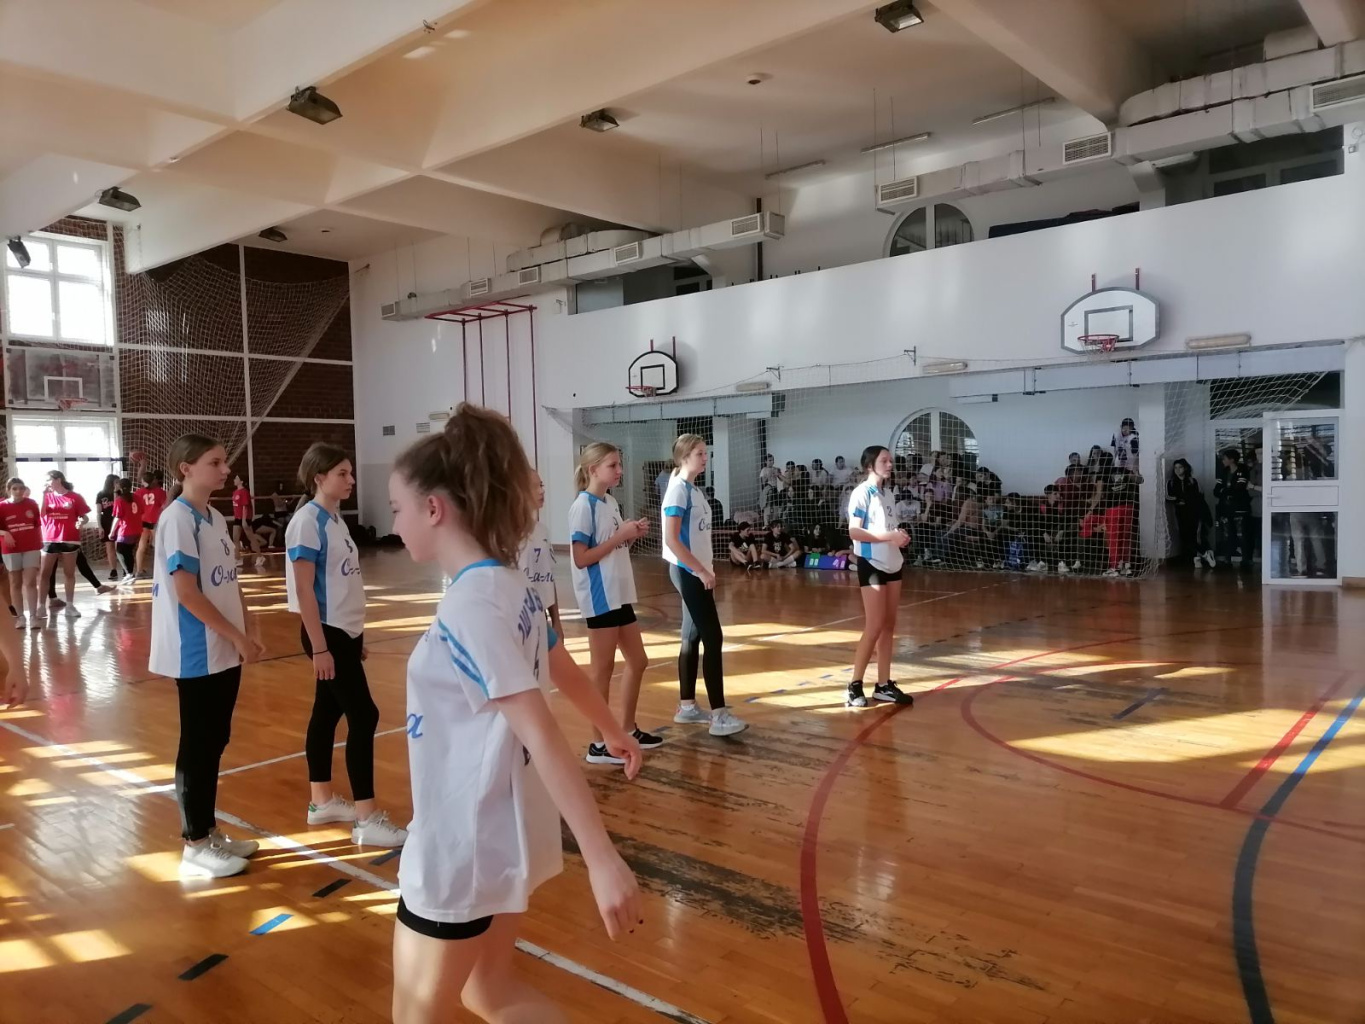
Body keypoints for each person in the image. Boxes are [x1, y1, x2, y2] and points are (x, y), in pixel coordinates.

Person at [387, 404, 642, 1024]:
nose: (393, 523)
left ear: (433, 509)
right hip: (498, 833)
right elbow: (562, 665)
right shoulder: (506, 585)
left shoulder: (471, 606)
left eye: (397, 508)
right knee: (489, 992)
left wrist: (602, 857)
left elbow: (542, 729)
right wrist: (613, 730)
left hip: (460, 844)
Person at [150, 434, 265, 878]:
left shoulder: (214, 516)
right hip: (195, 649)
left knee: (215, 740)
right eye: (215, 462)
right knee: (198, 744)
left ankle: (208, 830)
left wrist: (249, 627)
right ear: (186, 468)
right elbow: (186, 592)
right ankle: (195, 842)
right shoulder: (177, 519)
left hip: (224, 646)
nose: (226, 470)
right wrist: (235, 635)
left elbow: (228, 581)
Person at [286, 443, 406, 848]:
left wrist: (357, 638)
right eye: (342, 473)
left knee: (326, 712)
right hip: (326, 633)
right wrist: (322, 648)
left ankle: (321, 802)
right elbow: (304, 589)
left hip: (345, 633)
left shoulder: (335, 520)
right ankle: (367, 818)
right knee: (364, 714)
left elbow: (343, 583)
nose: (351, 480)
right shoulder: (307, 522)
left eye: (350, 472)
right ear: (318, 477)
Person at [569, 443, 660, 765]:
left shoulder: (609, 501)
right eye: (613, 465)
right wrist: (620, 536)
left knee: (638, 660)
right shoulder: (583, 506)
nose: (619, 470)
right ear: (593, 469)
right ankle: (598, 743)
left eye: (619, 464)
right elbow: (581, 558)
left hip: (619, 593)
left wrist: (630, 535)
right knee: (602, 670)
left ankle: (628, 728)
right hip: (600, 596)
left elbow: (613, 548)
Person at [661, 434, 746, 737]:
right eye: (699, 453)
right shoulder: (678, 491)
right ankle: (719, 716)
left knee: (692, 636)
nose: (705, 457)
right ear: (684, 457)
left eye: (705, 452)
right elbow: (672, 539)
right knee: (713, 636)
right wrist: (699, 570)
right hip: (688, 571)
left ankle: (687, 707)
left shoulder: (693, 489)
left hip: (697, 570)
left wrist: (706, 567)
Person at [846, 446, 914, 708]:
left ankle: (883, 685)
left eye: (890, 460)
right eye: (884, 461)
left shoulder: (888, 493)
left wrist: (899, 535)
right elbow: (855, 532)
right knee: (874, 625)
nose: (889, 464)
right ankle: (854, 685)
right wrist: (889, 537)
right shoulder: (861, 493)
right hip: (872, 563)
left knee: (888, 626)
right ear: (869, 466)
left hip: (893, 562)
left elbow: (886, 528)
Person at [38, 471, 92, 620]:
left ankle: (69, 605)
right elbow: (41, 515)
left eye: (49, 479)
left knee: (69, 573)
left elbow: (85, 517)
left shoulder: (75, 497)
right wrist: (43, 495)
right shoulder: (46, 497)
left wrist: (81, 522)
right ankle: (41, 606)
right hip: (50, 538)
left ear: (58, 479)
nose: (47, 483)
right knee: (45, 573)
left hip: (70, 538)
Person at [518, 470, 562, 636]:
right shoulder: (505, 536)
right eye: (534, 487)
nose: (541, 491)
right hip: (517, 619)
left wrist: (556, 621)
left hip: (540, 617)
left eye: (541, 485)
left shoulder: (542, 531)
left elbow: (547, 578)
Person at [0, 478, 43, 628]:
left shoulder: (32, 504)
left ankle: (33, 616)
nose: (18, 491)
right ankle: (20, 617)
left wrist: (39, 543)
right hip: (11, 548)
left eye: (21, 488)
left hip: (31, 547)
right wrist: (5, 533)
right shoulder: (2, 506)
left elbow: (37, 525)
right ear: (8, 490)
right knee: (15, 582)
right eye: (15, 488)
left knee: (31, 581)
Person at [1166, 459, 1215, 569]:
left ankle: (1198, 558)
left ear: (1185, 468)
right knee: (1184, 537)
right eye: (1176, 468)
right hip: (1180, 513)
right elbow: (1168, 497)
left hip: (1194, 512)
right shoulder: (1171, 482)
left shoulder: (1193, 481)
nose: (1178, 470)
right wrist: (1178, 499)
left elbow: (1200, 496)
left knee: (1195, 536)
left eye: (1180, 467)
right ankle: (1205, 553)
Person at [1214, 448, 1253, 569]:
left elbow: (1239, 489)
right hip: (1226, 508)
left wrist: (1225, 491)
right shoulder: (1223, 471)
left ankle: (1246, 560)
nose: (1223, 461)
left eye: (1225, 458)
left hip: (1240, 508)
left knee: (1242, 534)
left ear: (1231, 460)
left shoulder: (1243, 470)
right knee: (1227, 535)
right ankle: (1227, 559)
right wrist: (1227, 492)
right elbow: (1216, 490)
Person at [133, 470, 168, 579]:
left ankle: (139, 570)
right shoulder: (160, 492)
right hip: (156, 520)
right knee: (158, 545)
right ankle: (160, 569)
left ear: (143, 481)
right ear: (154, 480)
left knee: (142, 546)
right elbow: (165, 506)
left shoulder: (138, 492)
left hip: (143, 520)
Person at [230, 475, 266, 568]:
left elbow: (245, 506)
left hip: (245, 518)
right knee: (235, 538)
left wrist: (244, 520)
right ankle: (237, 558)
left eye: (236, 478)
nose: (234, 480)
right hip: (237, 517)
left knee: (251, 538)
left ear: (241, 481)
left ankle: (260, 556)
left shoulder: (244, 492)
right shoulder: (235, 492)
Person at [112, 478, 143, 580]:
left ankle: (128, 573)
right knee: (128, 552)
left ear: (120, 487)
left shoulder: (119, 500)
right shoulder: (137, 497)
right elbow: (141, 511)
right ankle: (129, 574)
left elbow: (117, 517)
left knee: (119, 551)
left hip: (125, 530)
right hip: (137, 529)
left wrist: (112, 532)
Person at [96, 473, 119, 580]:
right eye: (116, 482)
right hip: (106, 522)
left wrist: (116, 493)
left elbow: (117, 507)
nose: (118, 484)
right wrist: (100, 526)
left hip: (119, 521)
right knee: (110, 548)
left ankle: (126, 570)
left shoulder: (120, 493)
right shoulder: (101, 494)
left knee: (120, 547)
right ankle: (113, 570)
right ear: (111, 483)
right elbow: (98, 512)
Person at [758, 454, 783, 524]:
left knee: (776, 507)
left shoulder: (775, 469)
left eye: (773, 460)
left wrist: (779, 473)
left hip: (775, 489)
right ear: (765, 461)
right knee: (767, 508)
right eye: (770, 460)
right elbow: (763, 482)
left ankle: (774, 523)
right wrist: (769, 474)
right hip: (768, 490)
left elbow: (781, 480)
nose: (772, 462)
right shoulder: (764, 470)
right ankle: (766, 524)